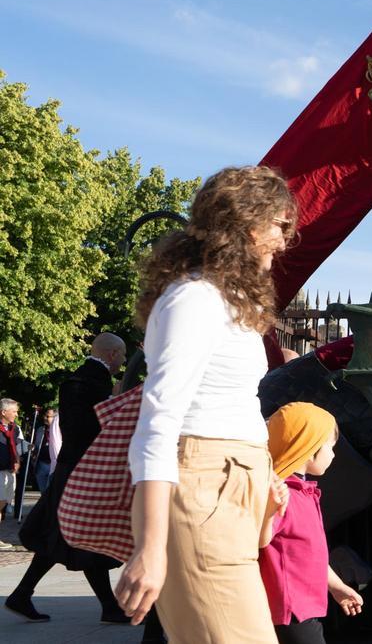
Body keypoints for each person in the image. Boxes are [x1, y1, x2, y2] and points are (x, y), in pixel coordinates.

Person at [114, 166, 296, 642]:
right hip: (199, 492)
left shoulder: (222, 301)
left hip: (223, 492)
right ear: (248, 223)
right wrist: (151, 547)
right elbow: (157, 421)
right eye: (281, 225)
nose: (284, 241)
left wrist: (259, 478)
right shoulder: (194, 299)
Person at [7, 333, 128, 623]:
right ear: (111, 354)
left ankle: (24, 594)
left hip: (72, 470)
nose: (123, 362)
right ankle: (107, 608)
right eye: (122, 356)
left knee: (70, 538)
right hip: (84, 472)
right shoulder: (92, 383)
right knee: (73, 538)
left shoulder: (81, 380)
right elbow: (94, 429)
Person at [260, 402, 364, 644]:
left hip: (304, 607)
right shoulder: (283, 493)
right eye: (330, 447)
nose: (334, 455)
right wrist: (269, 510)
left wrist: (337, 587)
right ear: (309, 450)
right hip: (288, 611)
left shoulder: (304, 492)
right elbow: (260, 541)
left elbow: (308, 555)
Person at [0, 398, 22, 526]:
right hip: (0, 471)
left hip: (11, 471)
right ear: (3, 412)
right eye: (14, 411)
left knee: (4, 503)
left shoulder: (15, 429)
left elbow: (16, 447)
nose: (16, 414)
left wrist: (18, 461)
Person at [31, 408, 60, 493]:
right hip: (41, 465)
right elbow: (36, 446)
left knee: (50, 492)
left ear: (55, 418)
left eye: (48, 416)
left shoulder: (59, 430)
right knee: (43, 493)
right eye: (44, 415)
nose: (45, 418)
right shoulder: (40, 430)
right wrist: (33, 448)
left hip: (54, 465)